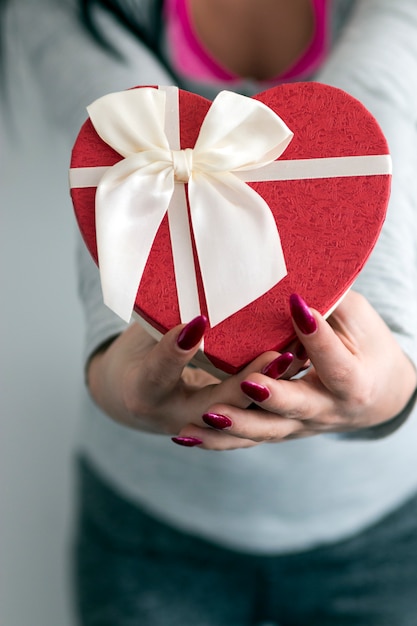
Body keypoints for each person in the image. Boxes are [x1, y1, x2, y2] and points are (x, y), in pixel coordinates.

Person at [3, 0, 417, 624]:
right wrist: (117, 378)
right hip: (148, 526)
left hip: (380, 523)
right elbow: (116, 171)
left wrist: (392, 384)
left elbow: (366, 136)